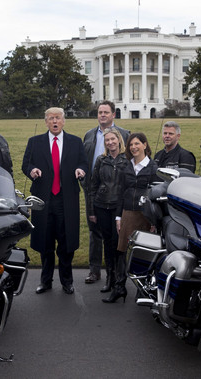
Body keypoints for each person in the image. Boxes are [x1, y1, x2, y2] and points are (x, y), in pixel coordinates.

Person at [22, 107, 87, 295]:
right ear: (46, 122)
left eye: (58, 118)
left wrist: (81, 171)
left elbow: (83, 163)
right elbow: (26, 163)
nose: (55, 121)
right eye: (51, 119)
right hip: (44, 199)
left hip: (66, 200)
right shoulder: (35, 142)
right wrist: (32, 170)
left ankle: (67, 281)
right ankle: (45, 280)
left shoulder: (75, 142)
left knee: (66, 243)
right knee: (45, 242)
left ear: (64, 121)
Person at [104, 133, 158, 303]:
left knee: (144, 253)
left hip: (145, 215)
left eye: (137, 144)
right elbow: (121, 192)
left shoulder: (153, 167)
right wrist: (118, 217)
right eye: (131, 145)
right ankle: (119, 287)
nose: (133, 147)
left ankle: (143, 289)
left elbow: (156, 195)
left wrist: (154, 221)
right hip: (127, 213)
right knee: (121, 251)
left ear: (144, 144)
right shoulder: (126, 167)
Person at [82, 100, 130, 286]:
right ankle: (94, 270)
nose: (102, 115)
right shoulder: (89, 135)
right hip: (94, 190)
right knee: (95, 230)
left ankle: (118, 273)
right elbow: (83, 159)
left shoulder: (124, 134)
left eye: (106, 112)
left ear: (113, 115)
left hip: (117, 193)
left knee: (117, 233)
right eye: (100, 112)